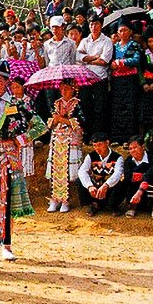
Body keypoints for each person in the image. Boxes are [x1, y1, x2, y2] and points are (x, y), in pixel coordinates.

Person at [0, 59, 46, 261]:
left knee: (8, 201)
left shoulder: (18, 104)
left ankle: (7, 245)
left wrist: (20, 139)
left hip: (9, 157)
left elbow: (41, 126)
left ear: (6, 82)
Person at [46, 79, 85, 213]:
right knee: (55, 169)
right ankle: (55, 199)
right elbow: (50, 121)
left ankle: (66, 200)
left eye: (67, 88)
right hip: (57, 138)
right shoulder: (56, 103)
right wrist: (56, 119)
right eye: (62, 89)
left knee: (69, 170)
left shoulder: (78, 104)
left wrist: (63, 119)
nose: (64, 91)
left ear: (73, 89)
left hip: (71, 139)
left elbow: (81, 121)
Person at [76, 14, 112, 140]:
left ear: (101, 25)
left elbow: (104, 61)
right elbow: (78, 58)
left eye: (96, 24)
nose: (94, 27)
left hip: (100, 78)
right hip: (85, 79)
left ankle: (98, 135)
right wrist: (95, 57)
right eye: (91, 24)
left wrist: (86, 59)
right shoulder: (84, 41)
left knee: (100, 108)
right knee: (86, 107)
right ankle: (87, 134)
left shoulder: (107, 41)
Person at [77, 133, 125, 216]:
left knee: (120, 183)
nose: (97, 148)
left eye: (100, 145)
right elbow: (82, 171)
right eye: (95, 146)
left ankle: (113, 205)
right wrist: (89, 186)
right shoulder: (90, 156)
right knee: (79, 180)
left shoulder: (118, 157)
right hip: (97, 185)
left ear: (107, 143)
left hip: (109, 188)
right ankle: (94, 204)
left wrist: (106, 185)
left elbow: (117, 174)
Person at [109, 21, 141, 144]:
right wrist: (113, 64)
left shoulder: (134, 45)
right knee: (117, 106)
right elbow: (110, 60)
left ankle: (130, 137)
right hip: (117, 80)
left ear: (130, 32)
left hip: (129, 80)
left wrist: (123, 62)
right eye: (121, 31)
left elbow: (137, 59)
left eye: (125, 30)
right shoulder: (115, 46)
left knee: (129, 106)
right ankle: (117, 136)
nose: (123, 33)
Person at [122, 136, 153, 219]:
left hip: (148, 186)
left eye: (135, 147)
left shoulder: (152, 159)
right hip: (134, 187)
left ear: (143, 146)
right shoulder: (128, 161)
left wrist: (141, 177)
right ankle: (133, 205)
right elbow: (128, 175)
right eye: (130, 149)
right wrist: (143, 175)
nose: (133, 151)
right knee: (126, 182)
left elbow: (151, 174)